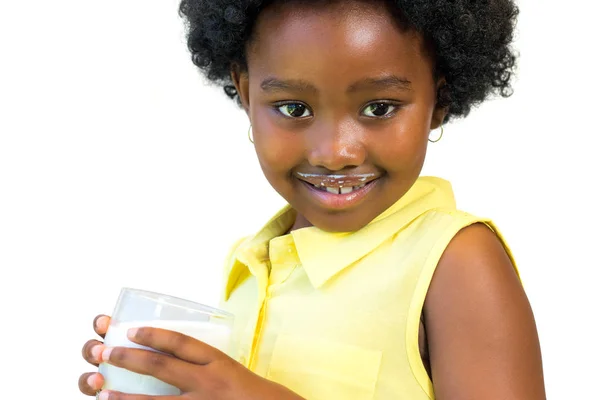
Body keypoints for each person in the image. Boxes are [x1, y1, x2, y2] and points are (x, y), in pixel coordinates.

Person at [79, 0, 546, 398]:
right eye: (294, 109)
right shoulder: (250, 265)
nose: (336, 153)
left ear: (438, 101)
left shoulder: (455, 260)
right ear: (244, 92)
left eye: (378, 108)